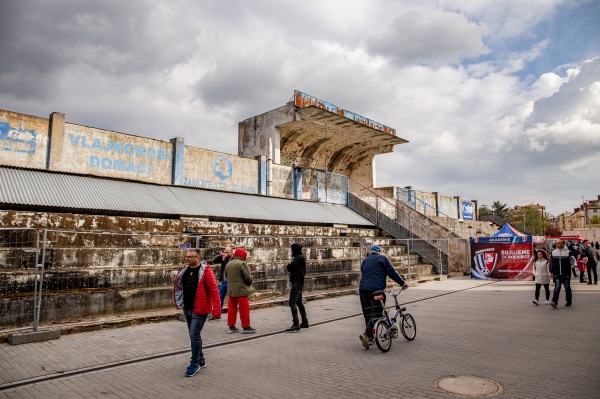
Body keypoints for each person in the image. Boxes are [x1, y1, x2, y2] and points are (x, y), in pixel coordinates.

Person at [173, 249, 221, 377]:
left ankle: (195, 362)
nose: (187, 259)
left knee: (194, 334)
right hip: (187, 308)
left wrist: (217, 310)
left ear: (198, 258)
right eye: (186, 257)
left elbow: (214, 291)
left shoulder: (206, 271)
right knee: (194, 334)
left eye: (190, 257)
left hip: (200, 309)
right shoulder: (185, 270)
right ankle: (201, 358)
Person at [358, 245, 408, 349]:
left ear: (371, 252)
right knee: (377, 313)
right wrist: (402, 283)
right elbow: (392, 272)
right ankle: (366, 334)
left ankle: (370, 337)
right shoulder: (383, 258)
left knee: (368, 313)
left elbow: (363, 271)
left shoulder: (365, 260)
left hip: (363, 290)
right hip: (376, 290)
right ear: (379, 252)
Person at [224, 248, 256, 334]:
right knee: (244, 309)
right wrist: (250, 280)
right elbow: (248, 278)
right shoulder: (242, 264)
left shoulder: (229, 264)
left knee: (231, 309)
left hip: (231, 290)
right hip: (241, 290)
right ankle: (246, 327)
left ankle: (231, 326)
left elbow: (226, 276)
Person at [285, 243, 308, 332]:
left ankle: (296, 324)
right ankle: (305, 321)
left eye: (292, 249)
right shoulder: (299, 257)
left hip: (297, 283)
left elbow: (290, 267)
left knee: (292, 302)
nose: (291, 251)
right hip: (298, 282)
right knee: (298, 302)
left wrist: (289, 265)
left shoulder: (299, 258)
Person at [550, 240, 575, 308]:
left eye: (559, 243)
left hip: (566, 273)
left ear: (563, 244)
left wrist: (573, 265)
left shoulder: (568, 252)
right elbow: (551, 262)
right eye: (557, 243)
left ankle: (569, 301)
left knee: (567, 287)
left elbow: (572, 259)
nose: (557, 244)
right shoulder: (553, 252)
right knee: (557, 287)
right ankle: (554, 301)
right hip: (557, 273)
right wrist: (551, 271)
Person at [209, 246, 233, 317]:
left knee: (232, 299)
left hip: (232, 282)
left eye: (227, 252)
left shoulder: (234, 259)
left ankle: (232, 315)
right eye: (225, 252)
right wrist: (220, 255)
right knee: (220, 297)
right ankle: (217, 314)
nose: (225, 253)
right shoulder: (224, 258)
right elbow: (214, 261)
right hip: (225, 281)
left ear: (231, 252)